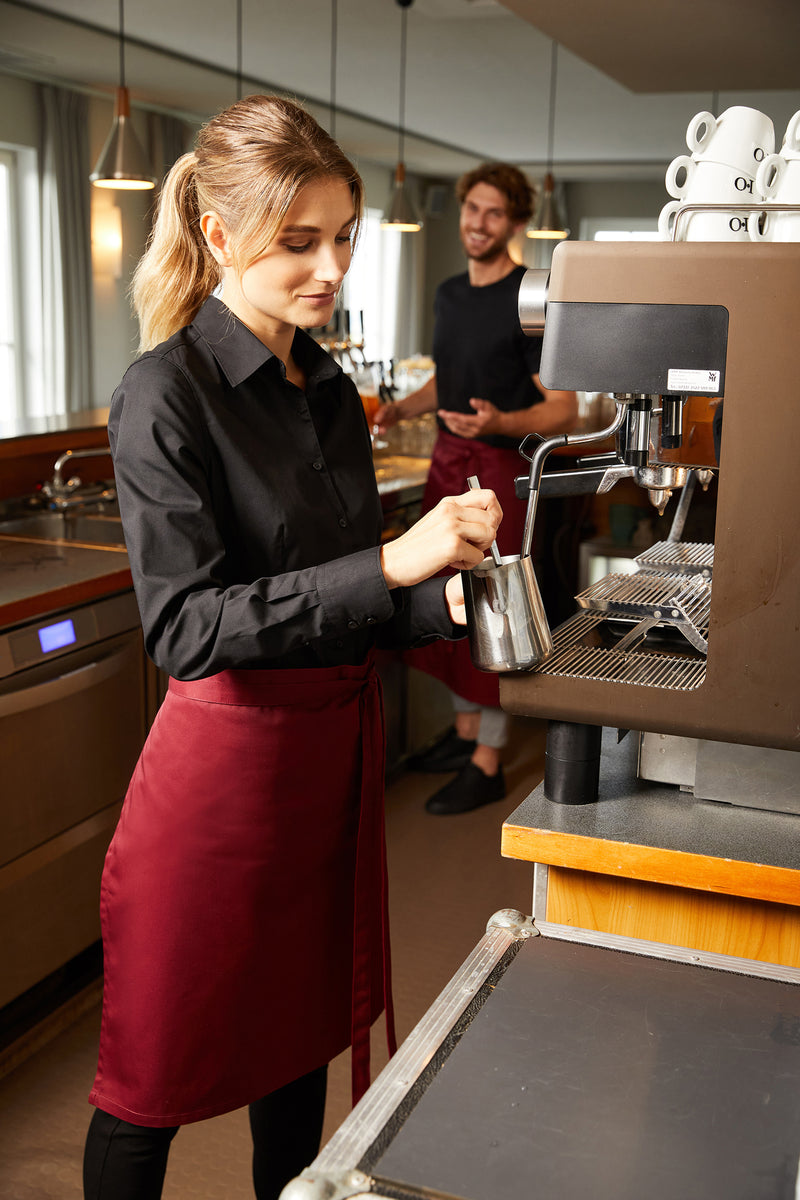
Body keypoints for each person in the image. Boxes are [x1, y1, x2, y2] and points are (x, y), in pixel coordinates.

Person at [82, 95, 502, 1200]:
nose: (331, 268)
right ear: (221, 237)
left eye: (344, 236)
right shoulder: (163, 395)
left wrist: (444, 598)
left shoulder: (327, 393)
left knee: (296, 1051)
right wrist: (390, 567)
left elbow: (349, 603)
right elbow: (187, 629)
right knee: (148, 1080)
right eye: (299, 242)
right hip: (218, 788)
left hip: (324, 775)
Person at [374, 162, 578, 817]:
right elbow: (447, 377)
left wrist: (501, 421)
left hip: (500, 474)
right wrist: (399, 410)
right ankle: (466, 737)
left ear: (515, 223)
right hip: (446, 461)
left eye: (494, 214)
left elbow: (565, 408)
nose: (478, 224)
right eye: (472, 210)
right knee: (444, 603)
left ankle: (488, 763)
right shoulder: (448, 293)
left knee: (491, 609)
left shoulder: (530, 297)